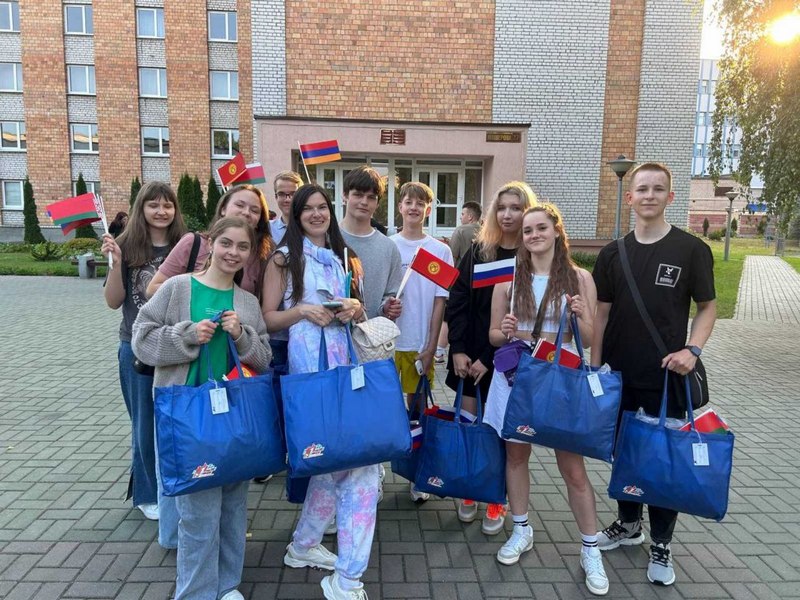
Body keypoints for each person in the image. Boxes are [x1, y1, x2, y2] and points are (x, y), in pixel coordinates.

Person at [132, 217, 272, 600]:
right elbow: (141, 338)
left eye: (242, 247)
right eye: (226, 243)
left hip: (235, 417)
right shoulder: (178, 288)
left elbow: (264, 358)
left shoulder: (247, 302)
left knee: (233, 508)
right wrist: (187, 335)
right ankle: (195, 592)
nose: (233, 253)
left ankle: (226, 586)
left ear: (250, 253)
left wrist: (242, 335)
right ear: (211, 243)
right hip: (187, 418)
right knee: (198, 514)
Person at [591, 162, 716, 587]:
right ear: (629, 198)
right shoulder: (612, 254)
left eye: (658, 189)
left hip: (667, 379)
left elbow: (708, 307)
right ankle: (629, 525)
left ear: (670, 197)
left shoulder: (691, 250)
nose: (649, 195)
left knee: (663, 462)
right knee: (625, 455)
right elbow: (601, 314)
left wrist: (693, 350)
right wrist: (596, 367)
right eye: (642, 188)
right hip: (619, 376)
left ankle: (661, 543)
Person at [483, 205, 608, 596]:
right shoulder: (508, 281)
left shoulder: (579, 278)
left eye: (541, 228)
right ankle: (521, 529)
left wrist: (580, 315)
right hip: (517, 378)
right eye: (527, 230)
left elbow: (590, 338)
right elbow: (493, 336)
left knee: (572, 469)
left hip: (560, 378)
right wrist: (505, 330)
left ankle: (590, 549)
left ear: (556, 231)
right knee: (516, 456)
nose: (534, 235)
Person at [262, 184, 375, 600]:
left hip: (347, 366)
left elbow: (361, 310)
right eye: (307, 208)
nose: (315, 213)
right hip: (309, 369)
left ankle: (304, 545)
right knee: (358, 466)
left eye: (322, 206)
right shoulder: (283, 258)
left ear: (331, 210)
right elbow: (268, 318)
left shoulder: (346, 256)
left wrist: (355, 308)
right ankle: (348, 578)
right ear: (295, 215)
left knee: (332, 461)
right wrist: (301, 311)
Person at [445, 181, 537, 533]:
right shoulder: (479, 251)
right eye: (502, 207)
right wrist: (458, 349)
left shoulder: (531, 258)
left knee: (501, 435)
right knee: (471, 428)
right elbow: (458, 301)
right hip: (468, 359)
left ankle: (497, 498)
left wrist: (489, 356)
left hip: (509, 362)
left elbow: (519, 320)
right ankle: (471, 490)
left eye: (516, 207)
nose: (508, 214)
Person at [101, 182, 186, 526]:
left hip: (177, 346)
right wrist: (115, 264)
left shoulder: (185, 245)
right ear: (142, 208)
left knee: (176, 420)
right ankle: (147, 494)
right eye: (154, 205)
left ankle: (176, 486)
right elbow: (113, 301)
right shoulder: (125, 245)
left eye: (167, 205)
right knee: (144, 423)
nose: (161, 211)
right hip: (136, 347)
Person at [390, 182, 453, 503]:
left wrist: (431, 347)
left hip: (419, 345)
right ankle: (376, 474)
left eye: (420, 203)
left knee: (417, 412)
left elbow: (440, 303)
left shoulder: (440, 251)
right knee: (385, 411)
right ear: (399, 206)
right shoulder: (389, 246)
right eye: (408, 202)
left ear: (428, 210)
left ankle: (418, 475)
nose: (413, 207)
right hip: (387, 344)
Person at [146, 183, 273, 299]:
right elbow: (152, 289)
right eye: (239, 205)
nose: (246, 212)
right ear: (223, 209)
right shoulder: (193, 243)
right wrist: (200, 296)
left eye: (254, 210)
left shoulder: (262, 256)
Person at [339, 166, 403, 320]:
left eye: (371, 197)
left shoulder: (388, 248)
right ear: (345, 195)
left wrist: (388, 307)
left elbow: (390, 295)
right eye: (358, 195)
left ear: (377, 203)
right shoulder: (326, 238)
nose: (364, 202)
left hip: (371, 333)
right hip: (330, 332)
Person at [435, 201, 482, 363]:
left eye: (462, 214)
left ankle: (439, 351)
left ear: (470, 217)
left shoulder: (460, 230)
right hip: (481, 283)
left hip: (461, 281)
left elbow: (452, 257)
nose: (461, 217)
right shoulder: (486, 231)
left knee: (448, 316)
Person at [270, 170, 304, 244]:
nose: (287, 199)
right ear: (276, 197)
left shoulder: (312, 227)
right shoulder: (267, 229)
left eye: (293, 194)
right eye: (281, 194)